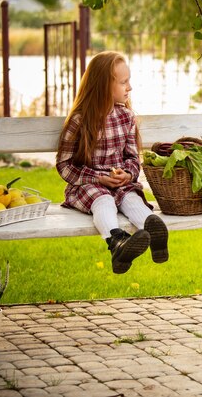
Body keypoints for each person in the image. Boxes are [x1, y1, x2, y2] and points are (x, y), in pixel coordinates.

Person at [56, 51, 168, 274]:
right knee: (104, 201)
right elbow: (64, 165)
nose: (130, 87)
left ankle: (154, 232)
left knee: (132, 200)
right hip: (88, 185)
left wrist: (127, 174)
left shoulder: (126, 116)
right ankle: (117, 243)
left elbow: (132, 158)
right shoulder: (80, 120)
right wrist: (97, 177)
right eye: (124, 82)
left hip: (120, 183)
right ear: (103, 85)